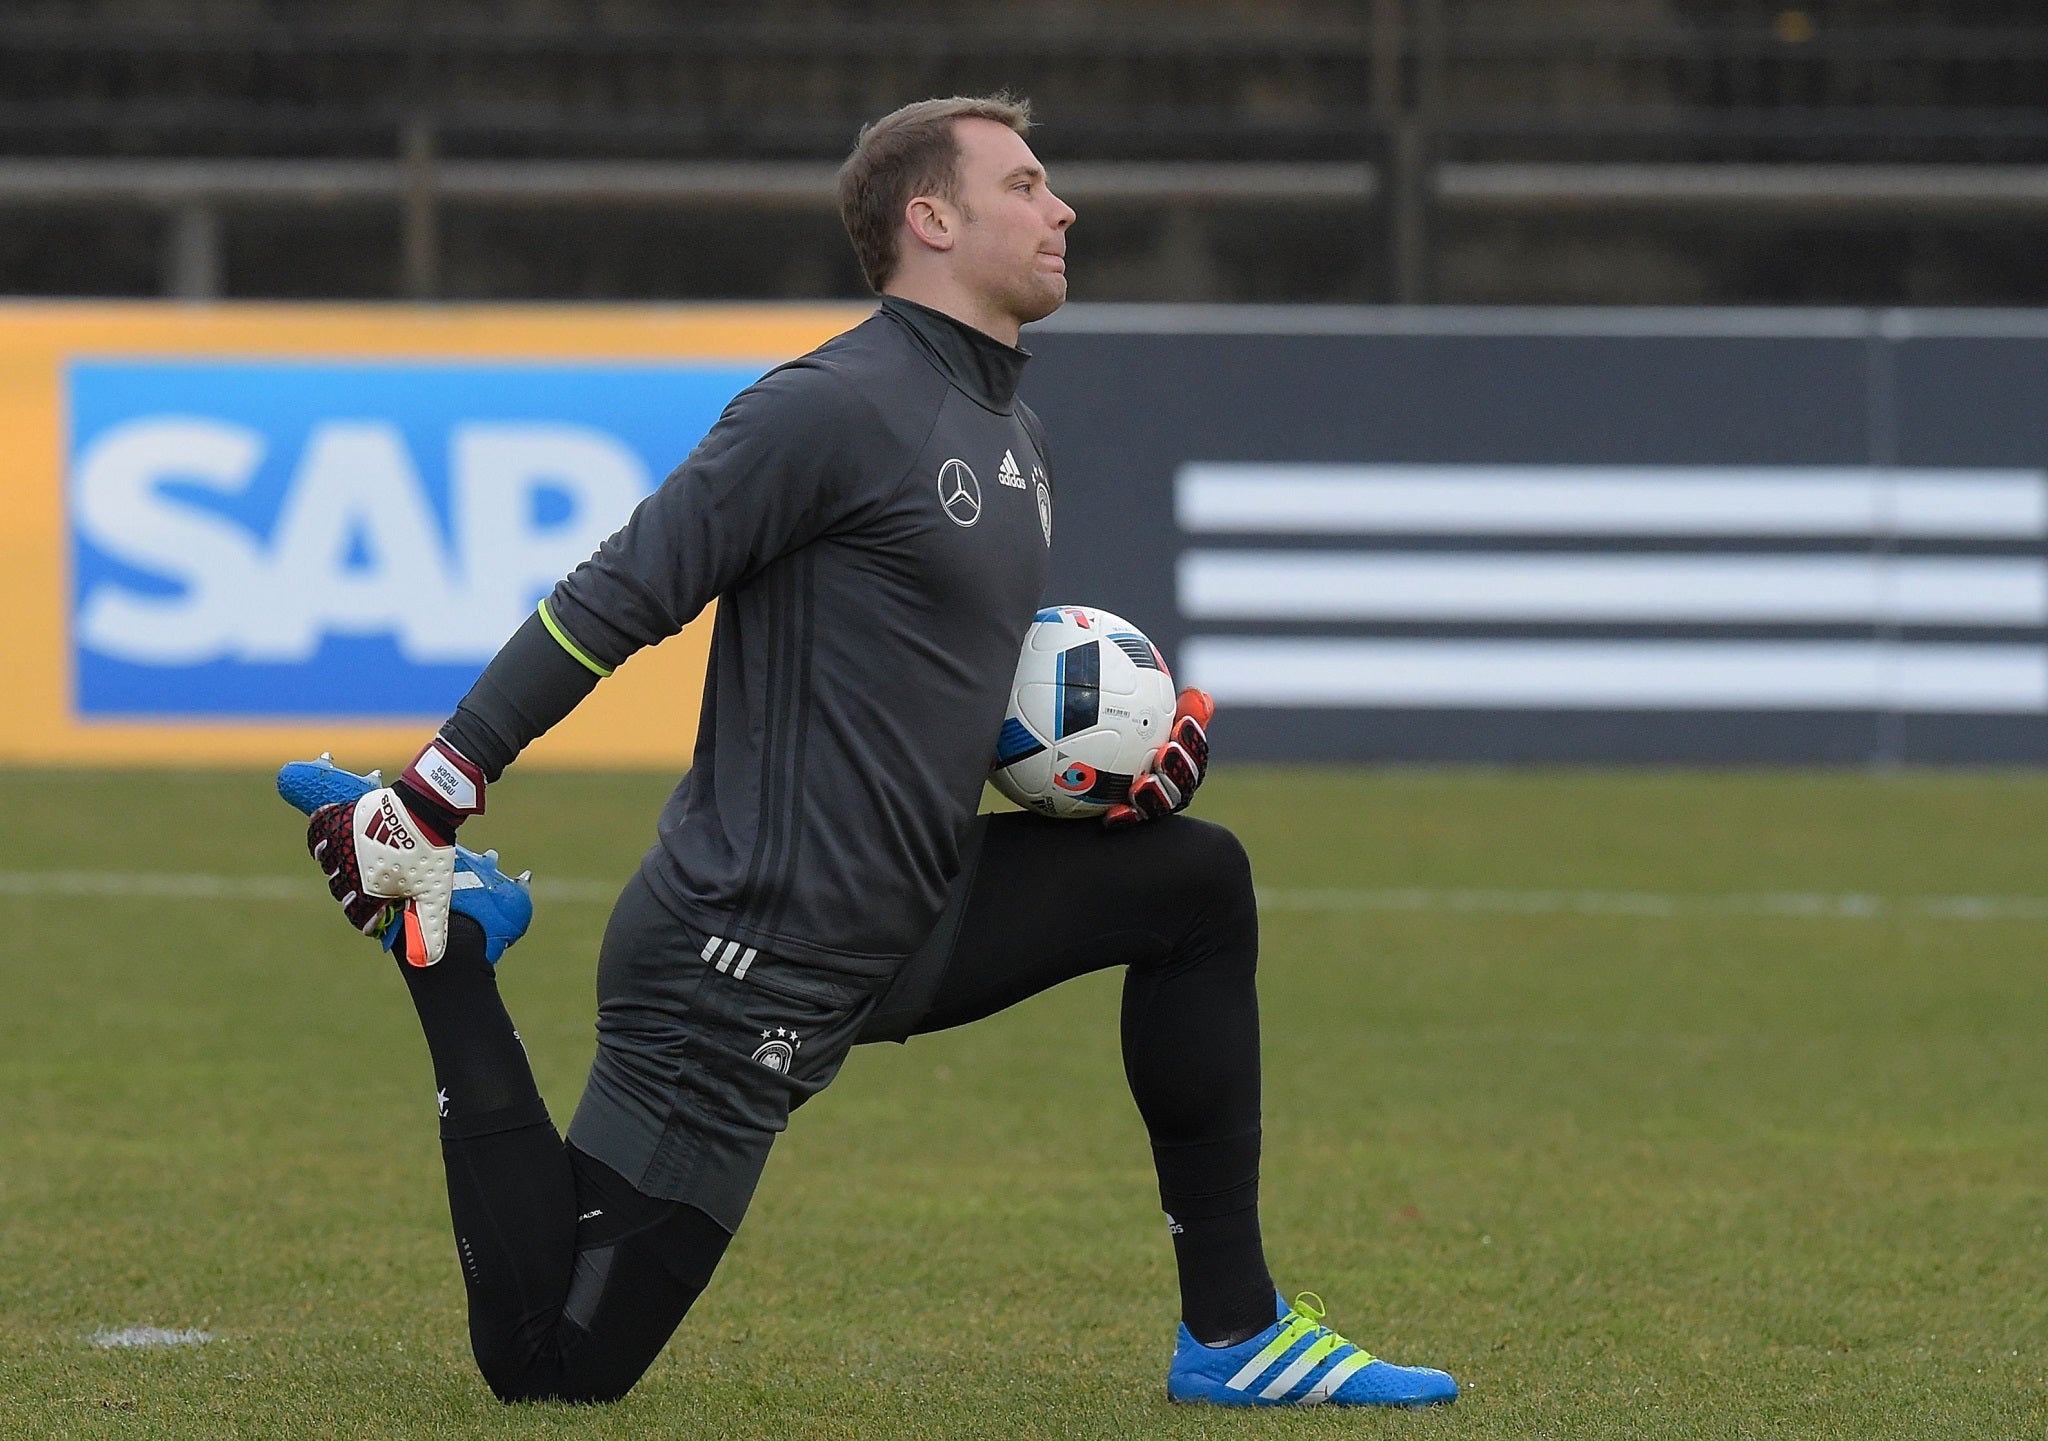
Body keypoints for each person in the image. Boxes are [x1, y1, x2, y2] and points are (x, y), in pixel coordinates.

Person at [288, 93, 1457, 1411]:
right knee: (550, 1364)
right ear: (932, 217)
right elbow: (624, 586)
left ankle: (1234, 1336)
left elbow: (926, 703)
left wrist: (1106, 789)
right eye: (1026, 184)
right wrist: (440, 785)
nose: (1062, 207)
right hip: (746, 950)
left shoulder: (1017, 434)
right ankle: (446, 946)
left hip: (897, 920)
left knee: (1194, 883)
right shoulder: (832, 405)